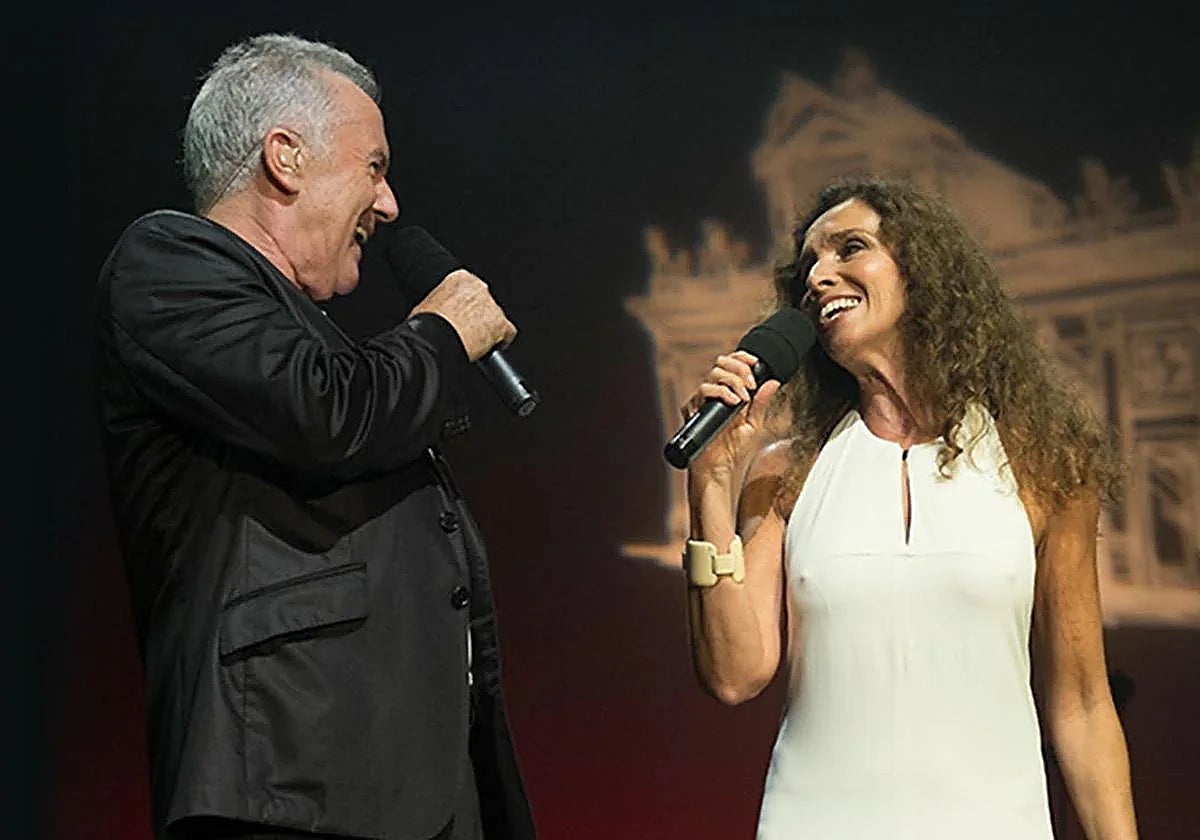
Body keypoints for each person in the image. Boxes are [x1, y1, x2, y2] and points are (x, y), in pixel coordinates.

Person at [94, 33, 536, 840]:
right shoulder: (168, 264)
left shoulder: (306, 334)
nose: (391, 202)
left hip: (409, 786)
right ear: (285, 157)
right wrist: (442, 331)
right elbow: (327, 414)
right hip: (290, 780)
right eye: (374, 165)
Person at [680, 176, 1138, 838]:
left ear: (923, 271)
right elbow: (733, 674)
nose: (819, 277)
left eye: (849, 249)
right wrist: (711, 491)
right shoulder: (788, 471)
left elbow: (1083, 703)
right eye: (808, 265)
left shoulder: (1044, 462)